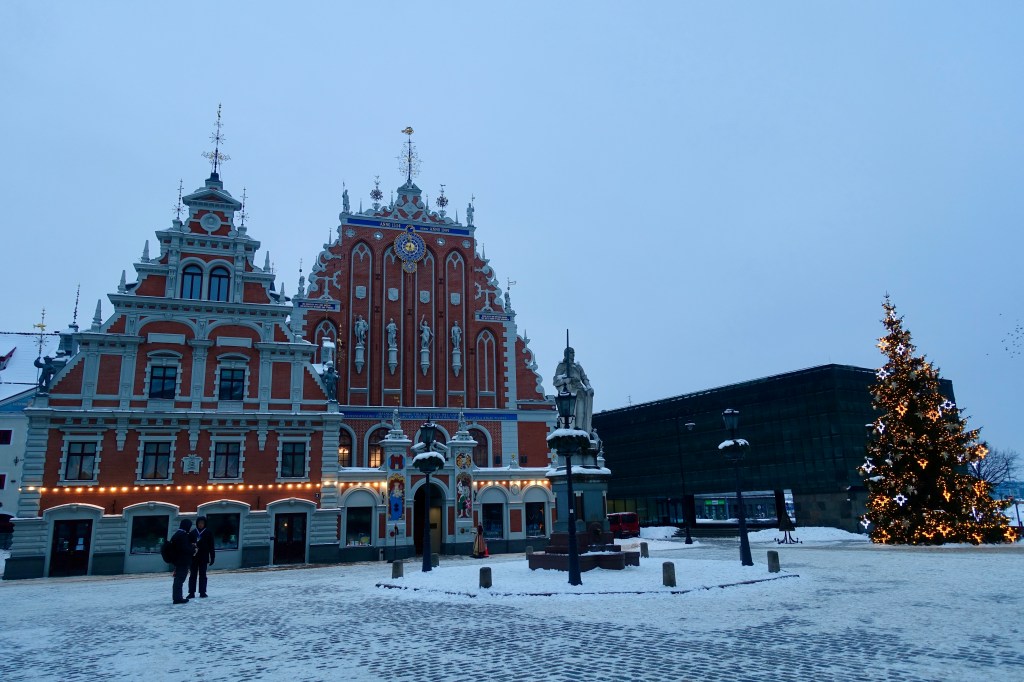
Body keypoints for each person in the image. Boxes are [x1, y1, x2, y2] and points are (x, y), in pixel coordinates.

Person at [553, 346, 595, 434]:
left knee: (581, 413)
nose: (573, 355)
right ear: (566, 354)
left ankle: (580, 431)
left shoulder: (578, 366)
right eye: (571, 353)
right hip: (570, 391)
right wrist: (565, 380)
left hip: (580, 391)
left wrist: (589, 387)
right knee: (572, 413)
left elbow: (584, 378)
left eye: (573, 353)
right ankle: (570, 431)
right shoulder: (562, 365)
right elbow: (556, 380)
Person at [187, 515, 216, 599]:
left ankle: (202, 592)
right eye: (199, 523)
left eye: (202, 523)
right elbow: (188, 545)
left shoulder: (208, 533)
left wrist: (212, 557)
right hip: (194, 557)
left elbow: (211, 546)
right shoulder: (193, 533)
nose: (200, 524)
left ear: (205, 524)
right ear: (197, 523)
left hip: (204, 557)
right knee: (193, 575)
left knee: (203, 575)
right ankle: (191, 592)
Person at [171, 519, 196, 605]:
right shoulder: (183, 535)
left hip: (178, 560)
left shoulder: (177, 534)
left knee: (178, 579)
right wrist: (193, 549)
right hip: (182, 560)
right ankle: (178, 598)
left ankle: (177, 597)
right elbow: (185, 548)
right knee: (180, 579)